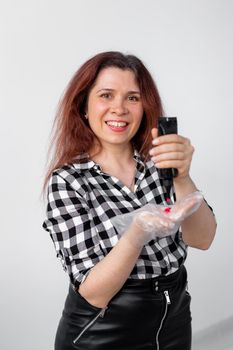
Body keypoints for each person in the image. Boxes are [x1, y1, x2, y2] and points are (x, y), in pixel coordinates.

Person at [42, 51, 217, 350]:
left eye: (132, 98)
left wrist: (182, 177)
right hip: (103, 331)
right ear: (84, 106)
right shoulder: (69, 181)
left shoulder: (160, 163)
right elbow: (94, 294)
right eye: (106, 95)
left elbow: (203, 239)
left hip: (172, 320)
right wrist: (136, 233)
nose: (119, 109)